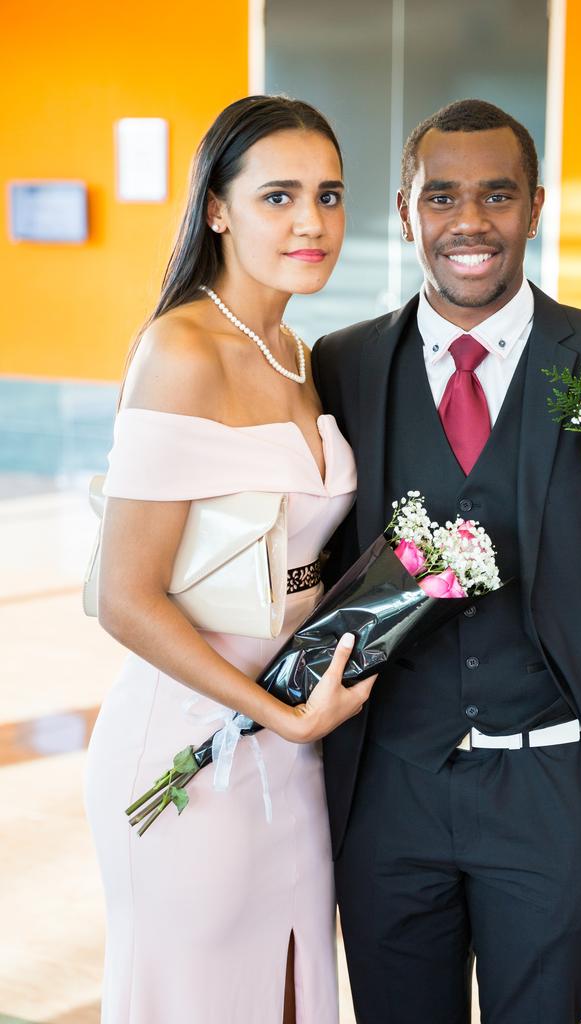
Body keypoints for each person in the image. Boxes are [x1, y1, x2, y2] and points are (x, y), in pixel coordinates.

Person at [312, 99, 581, 1024]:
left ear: (536, 206)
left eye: (497, 195)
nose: (470, 223)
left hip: (556, 788)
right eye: (442, 196)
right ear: (408, 208)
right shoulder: (341, 365)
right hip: (388, 791)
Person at [85, 96, 374, 1024]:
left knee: (291, 996)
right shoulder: (180, 349)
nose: (311, 222)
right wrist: (278, 719)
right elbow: (125, 599)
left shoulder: (298, 353)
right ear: (217, 207)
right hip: (189, 746)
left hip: (295, 745)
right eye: (278, 196)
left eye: (329, 196)